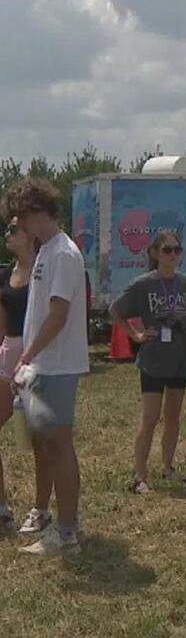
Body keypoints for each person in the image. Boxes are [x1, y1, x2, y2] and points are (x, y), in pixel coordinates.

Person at [4, 179, 89, 556]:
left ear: (36, 211)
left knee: (59, 445)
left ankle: (67, 532)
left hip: (55, 364)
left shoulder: (62, 254)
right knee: (50, 445)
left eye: (20, 214)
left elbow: (58, 314)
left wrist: (28, 354)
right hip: (44, 364)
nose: (17, 221)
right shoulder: (47, 252)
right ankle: (63, 524)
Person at [110, 231, 186, 494]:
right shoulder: (143, 284)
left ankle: (168, 467)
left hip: (180, 360)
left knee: (173, 416)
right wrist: (136, 335)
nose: (172, 255)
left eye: (177, 250)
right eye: (166, 250)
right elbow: (115, 312)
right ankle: (139, 476)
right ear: (154, 253)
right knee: (150, 417)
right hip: (153, 360)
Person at [0, 217, 36, 530]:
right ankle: (1, 508)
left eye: (13, 229)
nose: (7, 234)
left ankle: (42, 509)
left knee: (43, 437)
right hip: (9, 355)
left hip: (37, 357)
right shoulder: (4, 274)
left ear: (30, 234)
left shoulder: (45, 270)